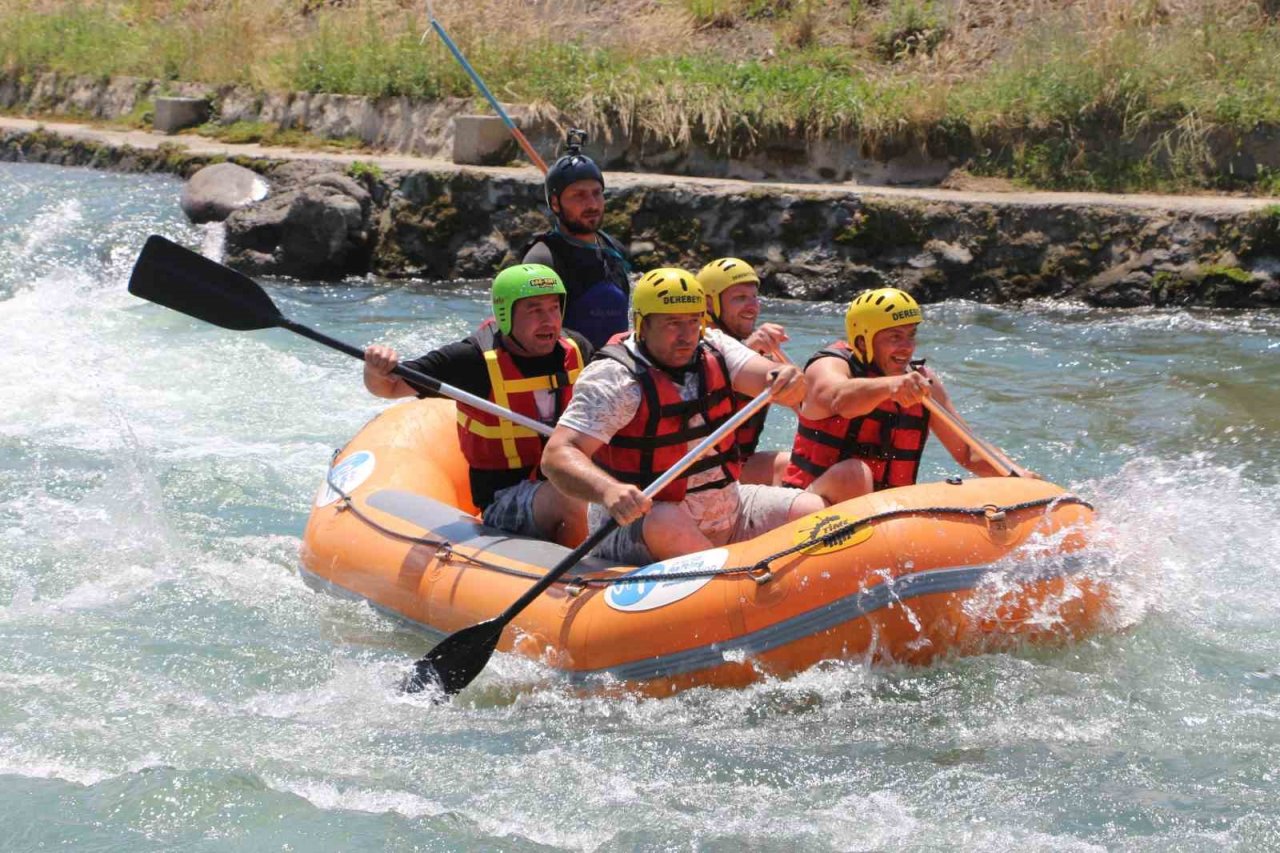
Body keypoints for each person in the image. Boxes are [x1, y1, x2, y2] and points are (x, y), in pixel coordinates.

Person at [541, 268, 825, 565]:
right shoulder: (615, 379)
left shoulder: (716, 347)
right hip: (642, 527)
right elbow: (557, 455)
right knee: (663, 517)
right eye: (672, 323)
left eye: (693, 322)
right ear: (642, 324)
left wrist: (787, 380)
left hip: (730, 510)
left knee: (814, 511)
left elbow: (767, 377)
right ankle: (730, 585)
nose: (687, 336)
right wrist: (607, 489)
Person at [363, 264, 590, 546]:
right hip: (504, 500)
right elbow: (389, 387)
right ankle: (583, 576)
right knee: (570, 493)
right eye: (534, 310)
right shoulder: (472, 361)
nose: (549, 320)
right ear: (506, 314)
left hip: (564, 479)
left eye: (554, 308)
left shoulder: (578, 349)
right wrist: (375, 369)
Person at [782, 287, 1035, 505]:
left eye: (911, 335)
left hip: (884, 516)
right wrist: (890, 386)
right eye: (895, 337)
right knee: (853, 474)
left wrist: (1018, 477)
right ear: (862, 342)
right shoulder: (829, 365)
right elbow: (839, 399)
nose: (908, 347)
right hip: (810, 507)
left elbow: (969, 452)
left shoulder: (921, 380)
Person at [523, 129, 631, 350]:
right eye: (579, 195)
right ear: (555, 204)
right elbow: (528, 335)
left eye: (596, 193)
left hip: (615, 371)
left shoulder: (615, 250)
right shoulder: (543, 260)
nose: (592, 204)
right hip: (569, 374)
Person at [696, 257, 792, 487]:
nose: (752, 306)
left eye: (754, 297)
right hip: (695, 473)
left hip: (738, 464)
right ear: (709, 304)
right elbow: (699, 388)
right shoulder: (690, 346)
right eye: (740, 298)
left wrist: (776, 357)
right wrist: (747, 348)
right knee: (785, 465)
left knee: (800, 465)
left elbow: (806, 402)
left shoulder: (758, 352)